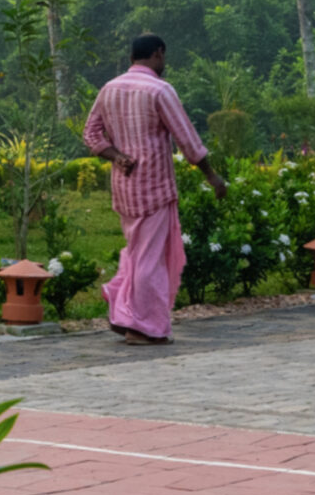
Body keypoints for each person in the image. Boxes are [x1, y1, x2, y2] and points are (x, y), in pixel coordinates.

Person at [83, 34, 225, 346]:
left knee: (136, 251)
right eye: (164, 57)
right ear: (158, 54)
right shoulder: (159, 90)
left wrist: (117, 156)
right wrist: (212, 177)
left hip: (124, 187)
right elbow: (187, 140)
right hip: (155, 187)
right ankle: (140, 325)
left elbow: (91, 134)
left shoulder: (110, 88)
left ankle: (123, 309)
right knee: (149, 259)